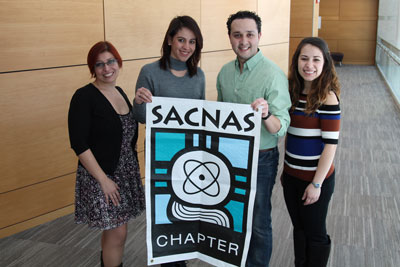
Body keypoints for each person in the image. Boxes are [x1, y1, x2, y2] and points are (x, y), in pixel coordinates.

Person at [217, 10, 291, 267]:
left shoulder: (273, 74)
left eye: (250, 34)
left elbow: (280, 127)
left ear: (259, 36)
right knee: (232, 215)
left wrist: (266, 113)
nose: (244, 40)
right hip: (230, 156)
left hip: (261, 159)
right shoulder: (224, 73)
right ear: (230, 38)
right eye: (237, 35)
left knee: (259, 220)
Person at [132, 15, 205, 267]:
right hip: (160, 157)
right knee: (164, 214)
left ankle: (180, 258)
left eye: (192, 42)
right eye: (181, 40)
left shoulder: (199, 76)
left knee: (185, 213)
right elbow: (141, 117)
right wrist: (139, 102)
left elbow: (202, 119)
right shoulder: (149, 72)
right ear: (170, 40)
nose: (186, 47)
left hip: (189, 157)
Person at [68, 41, 145, 267]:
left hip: (125, 173)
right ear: (93, 68)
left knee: (114, 230)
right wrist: (104, 180)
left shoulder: (119, 91)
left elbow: (124, 130)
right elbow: (79, 144)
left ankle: (107, 260)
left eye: (110, 61)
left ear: (118, 62)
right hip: (102, 175)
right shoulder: (84, 96)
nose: (106, 68)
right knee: (118, 233)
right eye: (99, 64)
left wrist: (139, 103)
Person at [282, 37, 341, 267]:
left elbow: (330, 145)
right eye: (304, 58)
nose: (309, 65)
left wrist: (316, 184)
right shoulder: (291, 91)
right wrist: (286, 171)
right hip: (291, 176)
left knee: (315, 232)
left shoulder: (327, 96)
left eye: (316, 60)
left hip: (316, 180)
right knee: (299, 229)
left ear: (325, 63)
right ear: (296, 61)